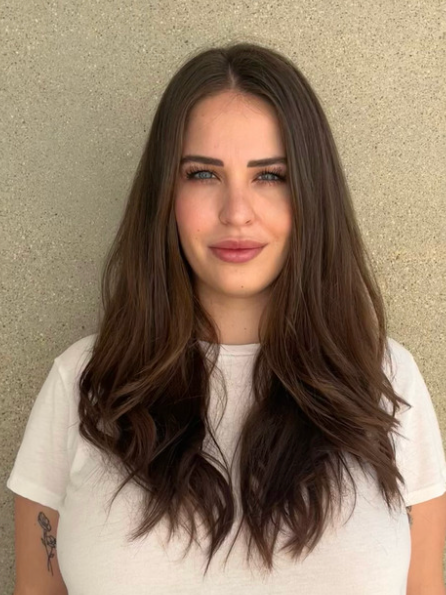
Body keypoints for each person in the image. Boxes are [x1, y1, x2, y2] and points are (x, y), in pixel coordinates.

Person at [6, 41, 446, 595]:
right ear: (165, 194)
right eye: (203, 174)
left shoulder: (385, 384)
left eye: (271, 176)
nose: (237, 212)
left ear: (313, 195)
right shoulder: (84, 385)